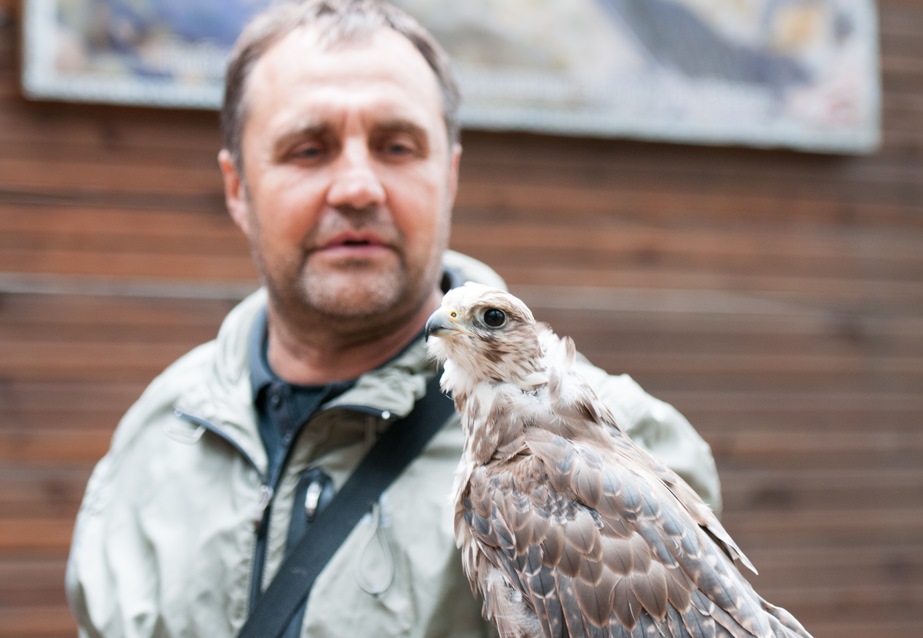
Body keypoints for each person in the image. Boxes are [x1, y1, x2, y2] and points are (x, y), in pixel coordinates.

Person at [65, 1, 722, 636]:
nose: (357, 187)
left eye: (397, 146)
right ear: (237, 188)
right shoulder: (157, 437)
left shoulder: (623, 448)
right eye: (308, 148)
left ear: (450, 177)